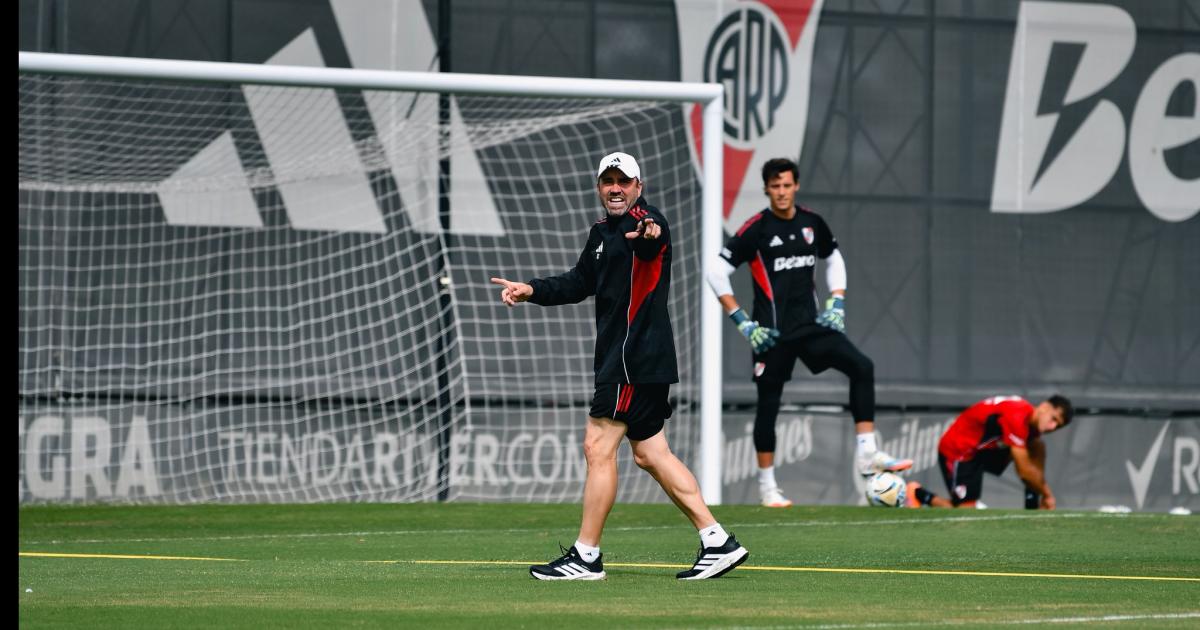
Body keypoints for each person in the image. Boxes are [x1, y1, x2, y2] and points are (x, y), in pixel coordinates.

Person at [490, 152, 748, 581]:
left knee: (597, 446)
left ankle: (586, 556)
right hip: (635, 360)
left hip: (632, 359)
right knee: (650, 453)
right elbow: (578, 282)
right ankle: (716, 540)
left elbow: (652, 237)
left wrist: (647, 231)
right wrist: (530, 289)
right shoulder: (599, 234)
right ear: (599, 187)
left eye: (623, 181)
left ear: (638, 187)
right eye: (608, 181)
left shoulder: (650, 222)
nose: (615, 188)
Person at [706, 157, 912, 508]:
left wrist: (838, 302)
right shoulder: (756, 229)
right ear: (767, 189)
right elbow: (715, 270)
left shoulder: (811, 222)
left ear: (796, 185)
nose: (782, 192)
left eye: (787, 185)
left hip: (810, 326)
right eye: (775, 186)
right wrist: (741, 320)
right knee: (768, 405)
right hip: (770, 334)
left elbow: (834, 259)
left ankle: (867, 453)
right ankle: (768, 488)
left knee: (862, 367)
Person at [906, 394, 1074, 509]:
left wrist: (1041, 493)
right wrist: (1048, 495)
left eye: (1057, 426)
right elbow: (1023, 471)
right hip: (959, 450)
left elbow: (1032, 466)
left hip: (983, 450)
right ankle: (918, 494)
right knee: (964, 512)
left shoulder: (1033, 426)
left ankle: (1032, 507)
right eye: (1053, 419)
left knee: (1037, 445)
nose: (1052, 427)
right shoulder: (1017, 415)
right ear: (1044, 407)